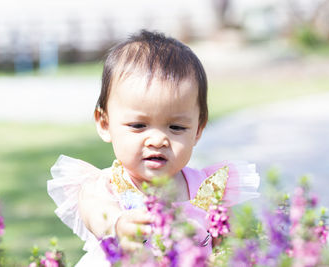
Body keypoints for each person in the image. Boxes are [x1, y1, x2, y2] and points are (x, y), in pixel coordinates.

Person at [47, 30, 260, 266]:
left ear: (198, 130)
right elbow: (95, 213)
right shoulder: (104, 187)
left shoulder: (207, 189)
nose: (158, 140)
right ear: (105, 123)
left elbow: (224, 242)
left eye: (176, 127)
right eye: (139, 125)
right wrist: (117, 224)